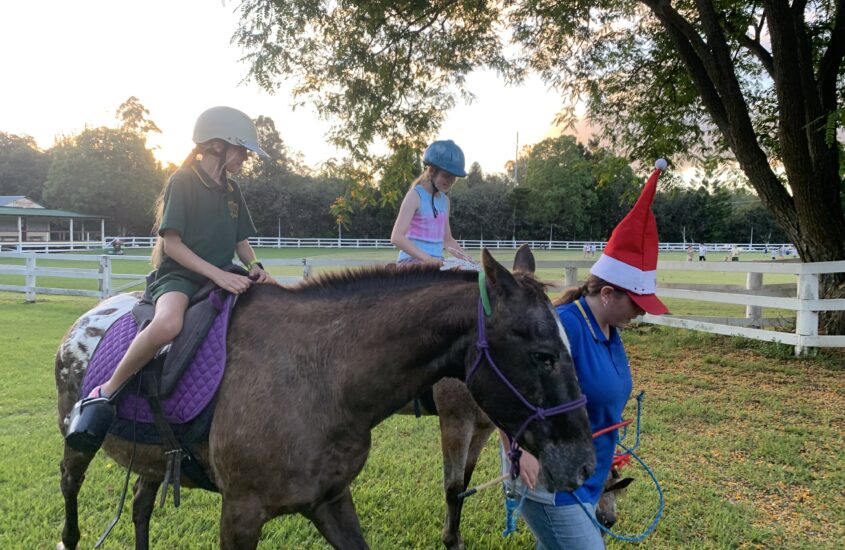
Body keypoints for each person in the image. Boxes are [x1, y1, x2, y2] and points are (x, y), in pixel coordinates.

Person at [501, 159, 670, 550]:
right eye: (637, 303)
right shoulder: (562, 327)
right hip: (549, 479)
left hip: (585, 477)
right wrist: (517, 449)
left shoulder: (610, 330)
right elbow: (506, 387)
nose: (641, 312)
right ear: (608, 293)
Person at [78, 106, 275, 404]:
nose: (245, 158)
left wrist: (255, 265)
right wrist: (218, 274)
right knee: (169, 324)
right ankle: (107, 391)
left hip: (225, 273)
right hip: (180, 278)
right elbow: (172, 245)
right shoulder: (183, 181)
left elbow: (240, 240)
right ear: (217, 145)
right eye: (241, 150)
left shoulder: (233, 190)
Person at [390, 139, 472, 264]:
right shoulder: (415, 196)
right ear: (432, 170)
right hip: (411, 263)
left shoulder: (445, 202)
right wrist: (428, 259)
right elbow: (396, 237)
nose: (450, 181)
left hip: (435, 263)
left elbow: (448, 240)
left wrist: (468, 260)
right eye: (446, 175)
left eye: (454, 177)